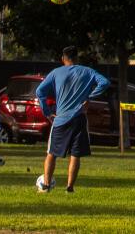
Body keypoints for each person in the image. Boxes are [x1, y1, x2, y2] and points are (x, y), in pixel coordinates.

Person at [33, 46, 109, 195]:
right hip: (79, 118)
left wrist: (47, 112)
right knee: (75, 154)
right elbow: (104, 82)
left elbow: (39, 91)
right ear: (77, 58)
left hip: (60, 119)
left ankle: (46, 185)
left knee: (51, 153)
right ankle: (69, 188)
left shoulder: (56, 72)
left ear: (63, 58)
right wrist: (90, 98)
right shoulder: (87, 71)